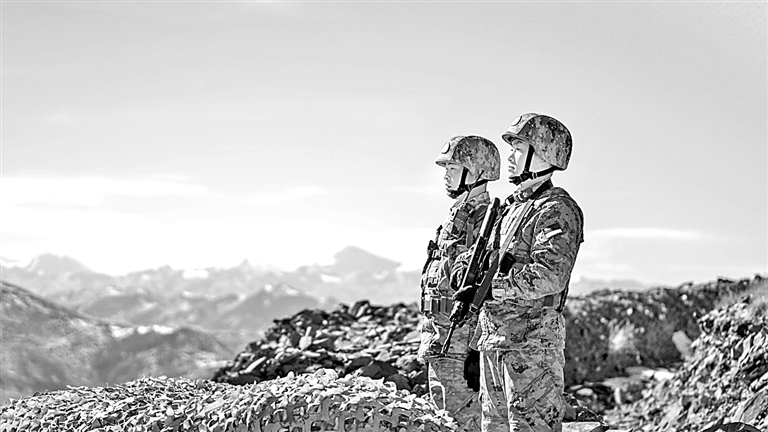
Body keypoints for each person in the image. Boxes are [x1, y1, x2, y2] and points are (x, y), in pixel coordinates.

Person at [452, 114, 584, 432]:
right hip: (494, 340)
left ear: (542, 153)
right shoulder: (511, 208)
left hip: (532, 344)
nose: (509, 156)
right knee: (493, 426)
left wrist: (490, 289)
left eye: (517, 148)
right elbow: (486, 258)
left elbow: (550, 274)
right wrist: (462, 270)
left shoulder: (556, 209)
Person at [419, 135, 501, 431]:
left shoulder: (486, 221)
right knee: (443, 416)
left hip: (460, 339)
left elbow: (486, 288)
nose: (445, 175)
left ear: (476, 172)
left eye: (452, 168)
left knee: (460, 420)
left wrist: (477, 349)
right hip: (442, 335)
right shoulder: (458, 216)